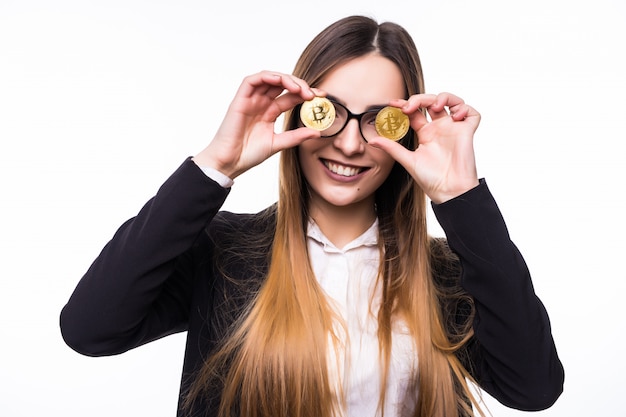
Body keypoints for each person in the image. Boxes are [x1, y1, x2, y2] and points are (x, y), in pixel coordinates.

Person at [60, 15, 564, 417]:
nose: (348, 143)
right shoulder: (222, 251)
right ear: (299, 112)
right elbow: (90, 328)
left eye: (376, 122)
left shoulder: (445, 275)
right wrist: (216, 165)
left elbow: (534, 389)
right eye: (330, 112)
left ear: (404, 134)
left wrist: (461, 198)